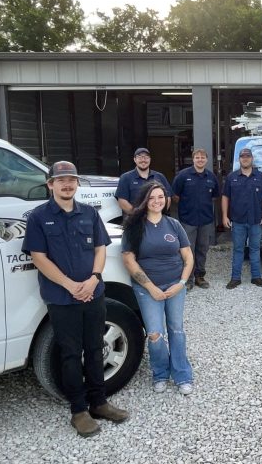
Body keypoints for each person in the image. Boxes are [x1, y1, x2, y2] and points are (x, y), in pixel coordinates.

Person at [22, 161, 129, 437]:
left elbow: (100, 249)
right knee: (70, 354)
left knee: (95, 348)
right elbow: (38, 258)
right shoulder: (38, 217)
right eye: (61, 180)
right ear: (50, 185)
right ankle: (79, 411)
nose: (67, 184)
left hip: (93, 292)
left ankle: (99, 403)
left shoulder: (89, 214)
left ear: (77, 184)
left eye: (71, 180)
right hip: (61, 297)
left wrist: (94, 278)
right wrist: (70, 285)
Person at [122, 181, 196, 396]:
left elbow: (188, 256)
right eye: (152, 197)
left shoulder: (174, 225)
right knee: (155, 334)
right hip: (147, 289)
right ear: (145, 201)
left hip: (175, 286)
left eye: (160, 197)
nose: (157, 201)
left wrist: (181, 283)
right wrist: (150, 287)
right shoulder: (134, 227)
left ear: (166, 200)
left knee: (177, 330)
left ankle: (182, 374)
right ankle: (160, 373)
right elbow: (129, 260)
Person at [171, 147, 220, 290]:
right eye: (197, 157)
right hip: (188, 220)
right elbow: (175, 196)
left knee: (203, 249)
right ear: (193, 159)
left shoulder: (211, 177)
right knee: (188, 250)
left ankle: (200, 276)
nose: (200, 160)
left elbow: (215, 196)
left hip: (205, 220)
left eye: (203, 157)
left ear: (206, 160)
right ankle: (188, 279)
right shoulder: (182, 176)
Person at [221, 147, 262, 289]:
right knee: (238, 249)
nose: (245, 158)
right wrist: (224, 216)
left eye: (248, 156)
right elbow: (225, 197)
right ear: (239, 159)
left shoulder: (260, 176)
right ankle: (235, 278)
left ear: (252, 158)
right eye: (243, 157)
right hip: (238, 221)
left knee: (255, 249)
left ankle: (256, 277)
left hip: (255, 220)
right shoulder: (232, 177)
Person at [115, 147, 172, 215]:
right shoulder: (125, 178)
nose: (143, 160)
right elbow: (122, 201)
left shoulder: (160, 177)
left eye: (146, 157)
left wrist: (159, 214)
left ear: (150, 160)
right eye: (139, 157)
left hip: (157, 220)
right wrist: (136, 216)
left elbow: (168, 198)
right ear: (134, 159)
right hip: (135, 222)